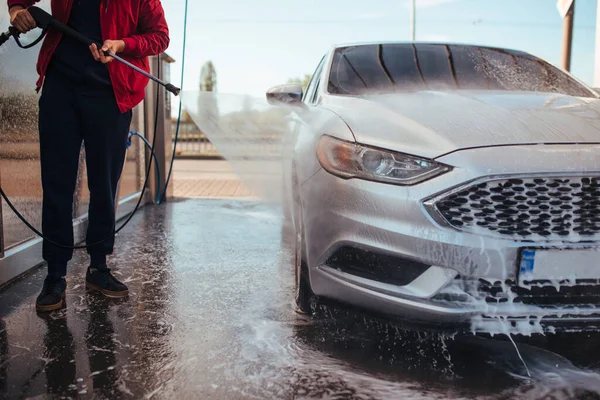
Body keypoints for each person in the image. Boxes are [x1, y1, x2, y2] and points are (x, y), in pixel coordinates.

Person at [7, 0, 170, 311]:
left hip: (111, 95)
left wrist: (122, 44)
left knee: (104, 186)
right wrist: (16, 11)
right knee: (57, 185)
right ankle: (55, 275)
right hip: (60, 89)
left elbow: (159, 36)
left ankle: (98, 267)